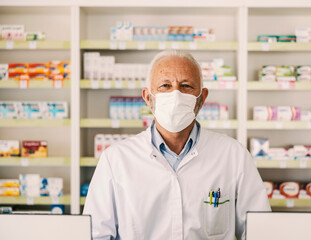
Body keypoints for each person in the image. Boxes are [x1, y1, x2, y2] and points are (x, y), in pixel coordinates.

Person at [83, 50, 271, 240]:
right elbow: (96, 234)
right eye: (165, 86)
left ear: (202, 98)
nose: (176, 95)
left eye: (186, 86)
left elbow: (260, 232)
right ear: (148, 98)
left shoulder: (234, 155)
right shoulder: (116, 159)